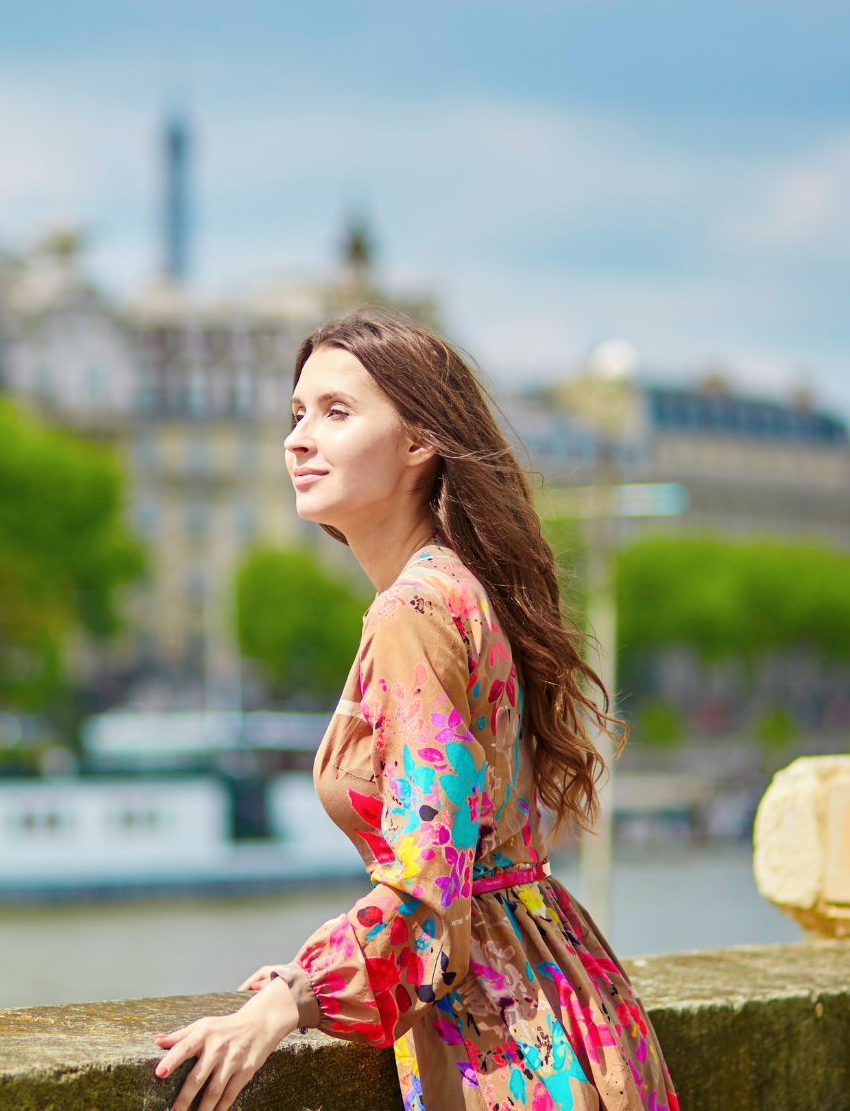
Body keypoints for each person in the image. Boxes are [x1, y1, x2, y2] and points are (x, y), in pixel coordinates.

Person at [154, 309, 677, 1111]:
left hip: (502, 1040)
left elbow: (429, 878)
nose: (297, 439)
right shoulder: (465, 587)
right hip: (564, 988)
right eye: (296, 415)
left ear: (418, 441)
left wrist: (285, 1002)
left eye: (335, 413)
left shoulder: (413, 613)